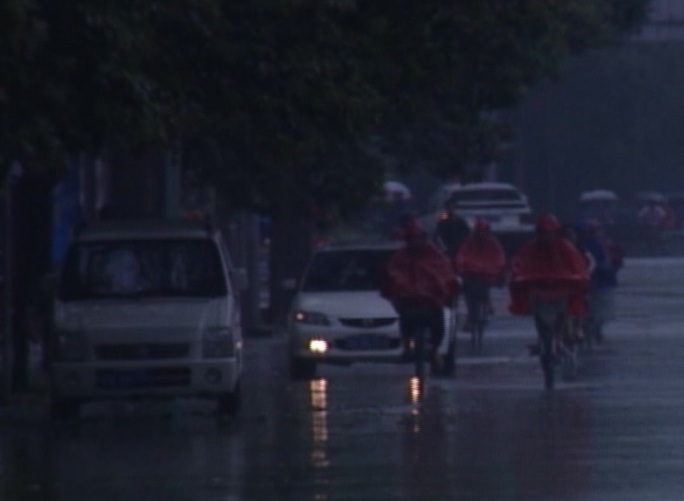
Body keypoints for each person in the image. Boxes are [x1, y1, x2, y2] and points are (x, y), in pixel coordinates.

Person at [381, 218, 459, 370]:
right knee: (405, 321)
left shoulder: (435, 255)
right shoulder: (400, 256)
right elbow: (391, 274)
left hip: (431, 302)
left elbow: (444, 272)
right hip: (409, 301)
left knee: (439, 325)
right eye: (413, 239)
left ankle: (434, 350)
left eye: (418, 238)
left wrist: (444, 288)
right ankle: (407, 346)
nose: (416, 242)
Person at [508, 214, 590, 355]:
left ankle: (558, 339)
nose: (546, 237)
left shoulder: (566, 248)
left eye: (549, 233)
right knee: (538, 315)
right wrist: (519, 276)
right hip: (538, 289)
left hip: (560, 288)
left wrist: (578, 277)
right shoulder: (529, 248)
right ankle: (542, 339)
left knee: (562, 312)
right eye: (543, 233)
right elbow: (519, 265)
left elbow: (577, 265)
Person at [453, 217, 506, 333]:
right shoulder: (469, 242)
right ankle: (471, 318)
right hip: (471, 274)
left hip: (486, 275)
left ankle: (485, 306)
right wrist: (464, 267)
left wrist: (496, 270)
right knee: (469, 294)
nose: (481, 234)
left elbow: (499, 258)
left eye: (483, 231)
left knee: (483, 290)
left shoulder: (493, 243)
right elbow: (461, 256)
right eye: (479, 231)